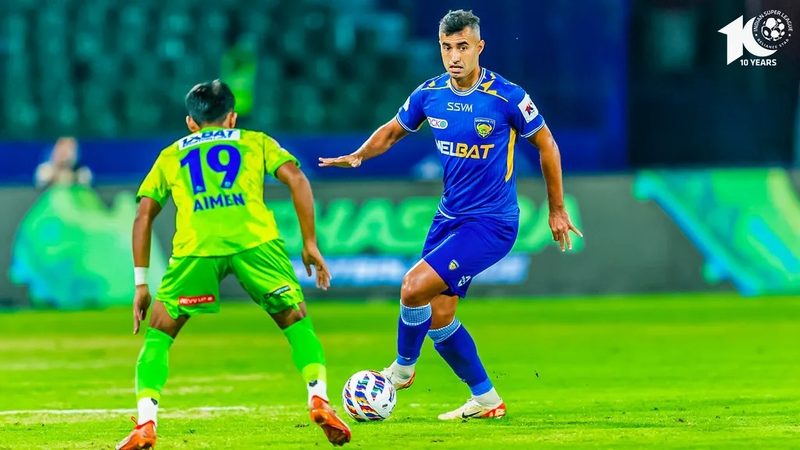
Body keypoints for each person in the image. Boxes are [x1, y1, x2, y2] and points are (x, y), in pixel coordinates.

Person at [319, 10, 582, 421]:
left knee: (412, 288)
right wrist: (358, 155)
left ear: (479, 47)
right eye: (446, 47)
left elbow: (547, 145)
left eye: (462, 47)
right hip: (449, 218)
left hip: (492, 223)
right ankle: (487, 400)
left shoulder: (507, 97)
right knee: (440, 319)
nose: (454, 56)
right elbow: (392, 131)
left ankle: (402, 370)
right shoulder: (430, 93)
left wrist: (557, 208)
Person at [116, 80, 351, 449]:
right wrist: (309, 242)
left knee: (159, 334)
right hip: (255, 243)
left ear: (190, 123)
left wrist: (141, 283)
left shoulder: (171, 154)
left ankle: (146, 424)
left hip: (197, 249)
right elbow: (296, 178)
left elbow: (144, 214)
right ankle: (318, 398)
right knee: (296, 321)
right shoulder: (256, 141)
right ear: (232, 118)